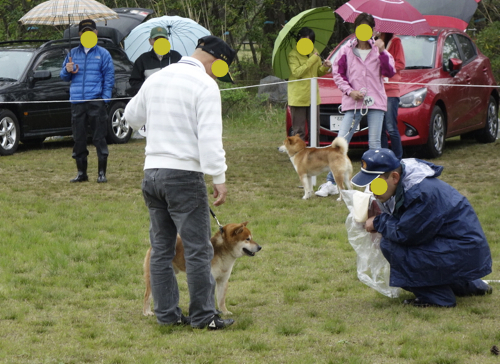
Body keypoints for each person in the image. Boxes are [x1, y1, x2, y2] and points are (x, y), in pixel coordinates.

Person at [124, 35, 236, 330]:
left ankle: (167, 315)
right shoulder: (205, 85)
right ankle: (204, 317)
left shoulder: (158, 77)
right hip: (184, 175)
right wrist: (219, 177)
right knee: (200, 249)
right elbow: (211, 138)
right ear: (217, 62)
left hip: (152, 174)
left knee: (161, 249)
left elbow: (131, 116)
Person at [353, 148, 493, 308]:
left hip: (463, 251)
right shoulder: (407, 179)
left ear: (394, 177)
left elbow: (406, 234)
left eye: (376, 184)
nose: (371, 190)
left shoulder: (420, 194)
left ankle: (439, 298)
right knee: (395, 242)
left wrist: (378, 222)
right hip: (464, 249)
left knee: (391, 246)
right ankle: (469, 286)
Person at [315, 13, 395, 197]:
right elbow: (338, 74)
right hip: (353, 102)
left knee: (374, 143)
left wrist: (382, 52)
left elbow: (390, 71)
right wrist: (350, 91)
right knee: (341, 142)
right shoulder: (346, 51)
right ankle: (331, 182)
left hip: (375, 101)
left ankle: (374, 183)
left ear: (373, 31)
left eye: (368, 29)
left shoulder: (380, 50)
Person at [60, 19, 114, 183]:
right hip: (77, 102)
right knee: (79, 138)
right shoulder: (72, 54)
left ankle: (101, 173)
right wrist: (67, 70)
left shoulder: (103, 54)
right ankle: (82, 173)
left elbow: (109, 78)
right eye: (84, 31)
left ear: (96, 33)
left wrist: (104, 99)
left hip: (96, 102)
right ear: (80, 34)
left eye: (91, 31)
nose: (87, 34)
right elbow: (64, 76)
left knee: (99, 138)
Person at [288, 27, 332, 144]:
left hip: (313, 97)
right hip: (298, 98)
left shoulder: (314, 51)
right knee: (299, 130)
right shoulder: (293, 55)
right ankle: (298, 155)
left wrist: (325, 67)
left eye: (310, 41)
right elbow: (297, 72)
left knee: (315, 129)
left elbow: (318, 72)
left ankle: (314, 153)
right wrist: (312, 59)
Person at [128, 26, 182, 94]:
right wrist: (148, 89)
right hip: (151, 99)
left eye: (163, 39)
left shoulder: (176, 57)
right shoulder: (142, 59)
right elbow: (134, 81)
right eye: (156, 39)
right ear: (150, 41)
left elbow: (183, 78)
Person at [377, 32, 405, 159]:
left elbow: (401, 64)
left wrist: (386, 65)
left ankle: (397, 158)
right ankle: (384, 157)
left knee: (391, 127)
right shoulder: (374, 41)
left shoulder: (395, 41)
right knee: (380, 128)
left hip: (391, 89)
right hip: (377, 89)